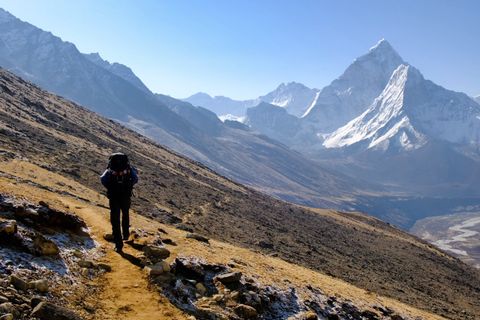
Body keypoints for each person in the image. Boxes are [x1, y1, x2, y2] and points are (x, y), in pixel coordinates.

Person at [100, 152, 138, 252]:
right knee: (125, 214)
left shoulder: (110, 169)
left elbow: (103, 179)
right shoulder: (128, 168)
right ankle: (125, 234)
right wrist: (129, 186)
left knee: (115, 219)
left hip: (114, 196)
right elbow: (135, 178)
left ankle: (118, 244)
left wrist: (110, 187)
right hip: (126, 196)